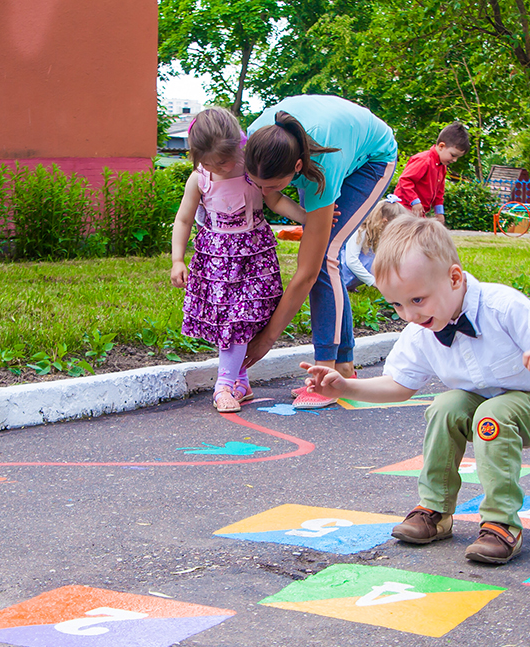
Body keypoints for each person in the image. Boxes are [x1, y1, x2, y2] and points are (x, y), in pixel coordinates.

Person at [301, 217, 530, 565]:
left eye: (418, 299)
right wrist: (344, 387)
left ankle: (501, 523)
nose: (410, 315)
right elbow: (399, 386)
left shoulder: (501, 306)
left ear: (454, 278)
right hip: (488, 403)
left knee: (492, 415)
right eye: (398, 305)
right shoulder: (420, 330)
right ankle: (435, 510)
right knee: (445, 406)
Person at [242, 96, 399, 408]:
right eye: (258, 184)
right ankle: (344, 370)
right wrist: (306, 216)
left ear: (298, 168)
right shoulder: (258, 142)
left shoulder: (324, 167)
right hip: (322, 142)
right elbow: (271, 198)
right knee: (323, 251)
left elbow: (307, 273)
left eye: (272, 185)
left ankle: (328, 375)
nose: (263, 193)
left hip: (372, 159)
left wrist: (266, 340)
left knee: (324, 257)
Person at [170, 106, 311, 413]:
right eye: (211, 162)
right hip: (217, 261)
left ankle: (229, 383)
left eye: (225, 159)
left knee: (245, 319)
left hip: (254, 257)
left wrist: (307, 217)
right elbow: (183, 220)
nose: (220, 166)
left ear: (239, 144)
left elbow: (273, 198)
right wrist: (177, 260)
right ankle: (233, 382)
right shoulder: (200, 179)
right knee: (230, 322)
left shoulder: (251, 168)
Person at [394, 123, 470, 224]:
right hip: (404, 210)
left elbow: (439, 193)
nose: (455, 160)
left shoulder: (442, 167)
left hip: (418, 213)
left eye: (457, 157)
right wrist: (415, 201)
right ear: (441, 146)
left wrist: (439, 213)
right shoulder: (424, 160)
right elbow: (404, 180)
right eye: (453, 155)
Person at [342, 196, 410, 290]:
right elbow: (351, 261)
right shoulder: (361, 231)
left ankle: (349, 285)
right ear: (384, 221)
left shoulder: (378, 233)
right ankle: (343, 283)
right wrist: (373, 282)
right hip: (341, 272)